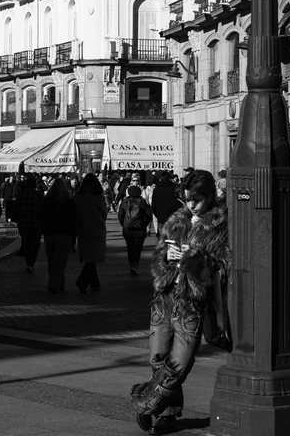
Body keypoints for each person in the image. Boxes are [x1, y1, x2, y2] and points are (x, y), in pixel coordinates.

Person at [131, 169, 229, 435]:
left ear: (211, 196)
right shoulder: (177, 220)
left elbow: (225, 268)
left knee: (178, 365)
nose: (191, 205)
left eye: (196, 199)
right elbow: (156, 260)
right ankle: (167, 415)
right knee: (158, 359)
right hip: (164, 299)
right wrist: (167, 257)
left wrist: (195, 259)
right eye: (187, 199)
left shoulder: (221, 226)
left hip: (191, 303)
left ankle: (144, 403)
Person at [37, 178, 77, 294]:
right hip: (64, 234)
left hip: (49, 234)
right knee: (60, 261)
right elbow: (74, 219)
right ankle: (55, 285)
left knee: (52, 261)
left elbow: (39, 217)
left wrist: (44, 229)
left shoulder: (46, 201)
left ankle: (58, 284)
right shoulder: (69, 201)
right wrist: (71, 230)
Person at [74, 173, 108, 293]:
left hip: (83, 228)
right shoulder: (98, 197)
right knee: (93, 256)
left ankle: (95, 283)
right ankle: (83, 280)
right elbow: (104, 214)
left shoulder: (79, 196)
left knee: (89, 254)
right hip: (97, 228)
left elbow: (75, 212)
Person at [118, 183, 153, 275]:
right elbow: (149, 214)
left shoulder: (125, 202)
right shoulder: (142, 201)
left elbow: (120, 215)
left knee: (130, 248)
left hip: (127, 229)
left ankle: (131, 265)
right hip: (140, 230)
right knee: (137, 249)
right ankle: (134, 265)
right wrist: (144, 224)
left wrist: (124, 224)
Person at [13, 176, 44, 272]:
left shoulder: (20, 195)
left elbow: (16, 209)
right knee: (35, 243)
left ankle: (28, 262)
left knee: (26, 242)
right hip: (36, 223)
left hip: (24, 222)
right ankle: (31, 263)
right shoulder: (39, 195)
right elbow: (43, 210)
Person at [150, 171, 182, 236]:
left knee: (162, 237)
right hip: (173, 215)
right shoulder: (174, 187)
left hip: (161, 216)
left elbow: (154, 205)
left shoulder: (156, 190)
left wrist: (157, 214)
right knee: (173, 237)